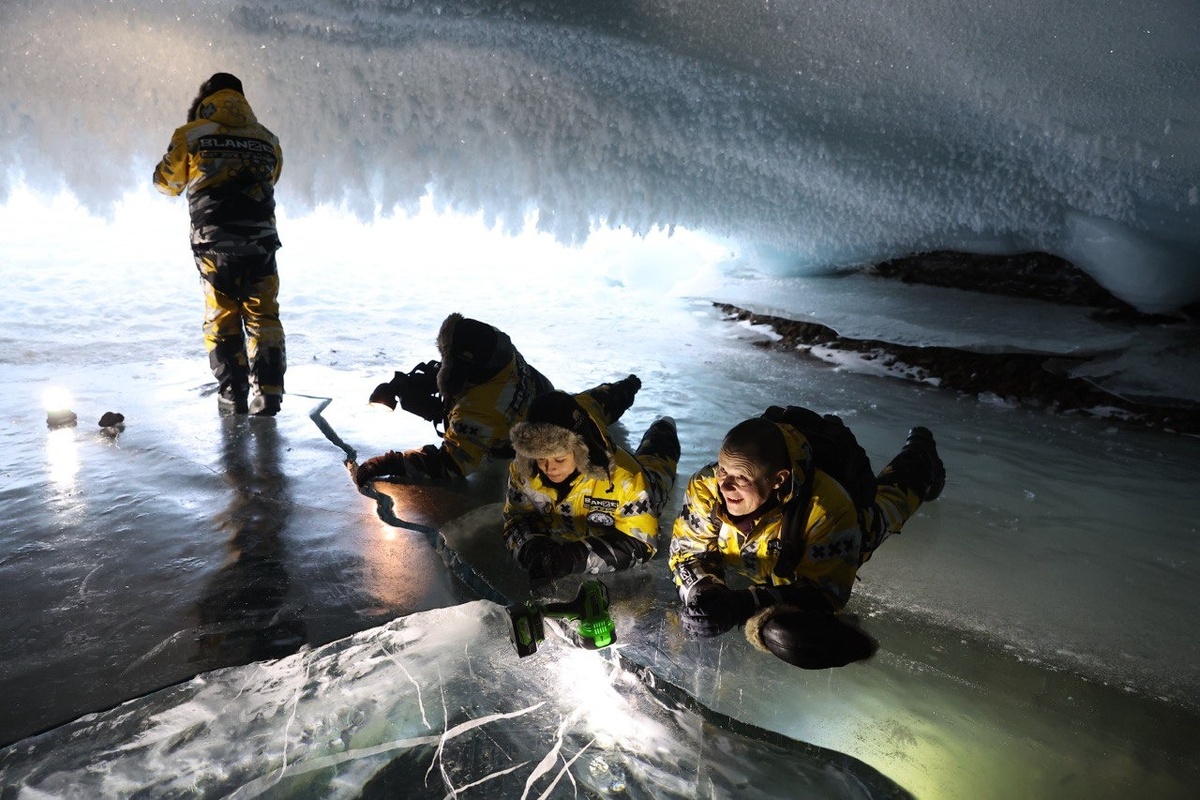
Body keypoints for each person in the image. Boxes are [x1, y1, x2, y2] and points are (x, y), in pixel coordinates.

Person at [669, 407, 946, 669]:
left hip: (845, 531)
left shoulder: (826, 509)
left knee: (893, 501)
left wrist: (744, 605)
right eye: (723, 470)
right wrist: (705, 591)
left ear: (778, 480)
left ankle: (920, 454)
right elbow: (686, 554)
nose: (726, 485)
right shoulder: (706, 488)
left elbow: (825, 594)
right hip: (760, 560)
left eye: (741, 477)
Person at [355, 313, 643, 483]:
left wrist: (390, 463)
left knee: (596, 409)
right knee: (597, 401)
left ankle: (627, 389)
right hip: (545, 393)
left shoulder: (480, 411)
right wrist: (436, 381)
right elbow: (472, 373)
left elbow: (451, 465)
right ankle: (627, 387)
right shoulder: (496, 348)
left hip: (543, 433)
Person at [153, 73, 286, 417]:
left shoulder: (192, 135)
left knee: (222, 315)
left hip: (214, 242)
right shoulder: (267, 138)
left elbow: (166, 183)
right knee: (264, 315)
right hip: (261, 241)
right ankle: (269, 393)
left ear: (205, 101)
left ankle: (233, 391)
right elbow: (272, 176)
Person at [504, 390, 681, 587]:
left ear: (580, 451)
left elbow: (641, 543)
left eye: (559, 459)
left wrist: (571, 558)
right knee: (588, 401)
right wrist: (531, 548)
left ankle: (663, 428)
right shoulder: (524, 471)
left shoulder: (628, 479)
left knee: (657, 464)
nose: (549, 467)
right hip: (581, 412)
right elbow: (516, 517)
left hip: (643, 475)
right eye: (540, 458)